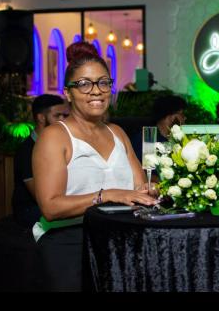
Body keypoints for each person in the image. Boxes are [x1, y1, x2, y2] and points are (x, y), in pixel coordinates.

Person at [32, 41, 158, 291]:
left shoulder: (118, 132)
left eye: (103, 82)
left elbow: (139, 186)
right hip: (69, 240)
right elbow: (50, 207)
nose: (96, 91)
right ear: (68, 93)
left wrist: (154, 189)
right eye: (84, 84)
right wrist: (108, 195)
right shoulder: (55, 137)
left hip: (119, 235)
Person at [11, 94, 70, 228]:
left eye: (65, 116)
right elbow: (39, 196)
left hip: (54, 202)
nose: (63, 120)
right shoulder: (26, 150)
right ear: (41, 118)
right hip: (29, 210)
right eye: (57, 116)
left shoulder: (61, 143)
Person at [132, 94, 187, 163]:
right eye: (182, 114)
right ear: (171, 117)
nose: (184, 118)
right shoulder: (149, 138)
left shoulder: (176, 139)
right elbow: (149, 171)